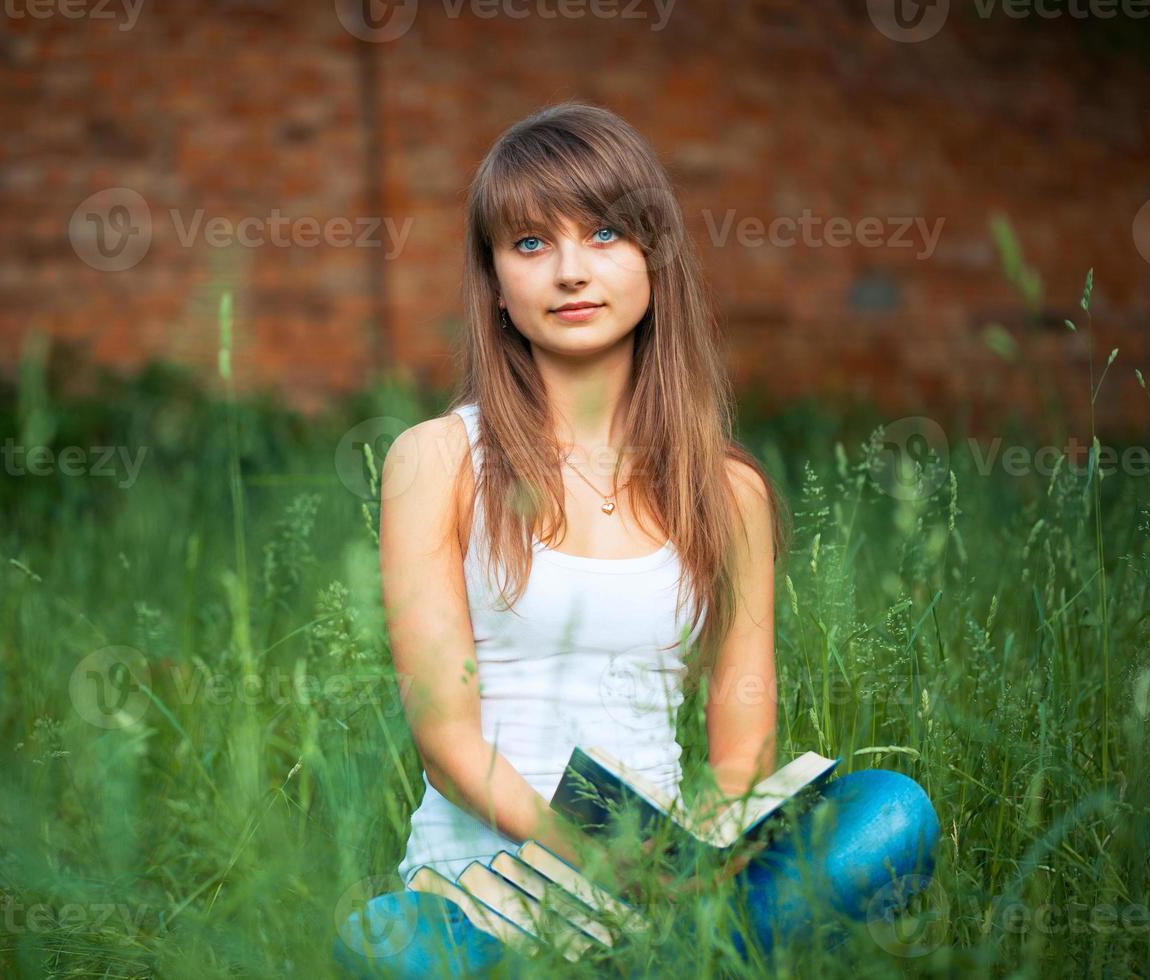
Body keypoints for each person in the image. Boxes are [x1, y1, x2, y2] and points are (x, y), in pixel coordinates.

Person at [333, 101, 940, 978]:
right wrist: (589, 859)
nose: (571, 271)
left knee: (892, 814)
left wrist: (682, 869)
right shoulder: (435, 459)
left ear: (655, 260)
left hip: (664, 894)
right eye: (532, 243)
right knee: (384, 946)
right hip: (487, 891)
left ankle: (669, 954)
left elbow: (741, 753)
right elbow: (447, 742)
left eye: (607, 233)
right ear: (496, 283)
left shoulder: (730, 493)